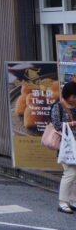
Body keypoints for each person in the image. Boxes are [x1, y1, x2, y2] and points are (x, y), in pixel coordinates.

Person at [53, 82, 76, 214]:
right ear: (66, 95)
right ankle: (63, 202)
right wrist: (73, 123)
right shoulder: (58, 106)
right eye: (73, 96)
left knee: (75, 175)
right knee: (70, 173)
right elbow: (56, 125)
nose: (75, 99)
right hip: (66, 146)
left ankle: (73, 201)